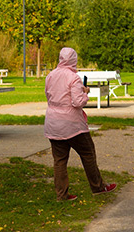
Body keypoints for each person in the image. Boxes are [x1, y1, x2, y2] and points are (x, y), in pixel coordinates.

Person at [44, 47, 117, 201]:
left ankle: (61, 195)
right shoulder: (74, 78)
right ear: (73, 60)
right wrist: (85, 93)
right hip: (72, 124)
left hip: (53, 122)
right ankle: (98, 186)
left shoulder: (50, 76)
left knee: (59, 160)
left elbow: (49, 96)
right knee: (88, 153)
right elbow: (77, 102)